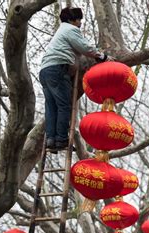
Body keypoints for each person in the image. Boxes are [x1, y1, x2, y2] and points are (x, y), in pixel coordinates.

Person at [39, 7, 110, 150]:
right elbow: (85, 47)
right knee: (64, 105)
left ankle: (51, 140)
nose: (80, 23)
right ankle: (61, 140)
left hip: (45, 70)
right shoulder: (70, 30)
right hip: (59, 69)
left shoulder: (60, 32)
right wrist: (102, 56)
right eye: (79, 19)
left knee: (51, 106)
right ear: (72, 20)